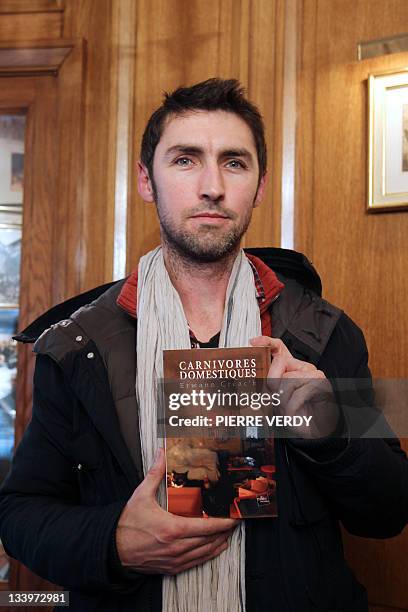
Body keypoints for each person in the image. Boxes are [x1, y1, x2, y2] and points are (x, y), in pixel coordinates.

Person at [0, 78, 407, 612]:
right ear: (147, 180)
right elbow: (21, 513)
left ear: (260, 186)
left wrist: (328, 429)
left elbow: (387, 511)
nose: (212, 186)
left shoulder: (323, 333)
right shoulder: (79, 347)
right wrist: (115, 542)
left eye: (235, 163)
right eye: (186, 160)